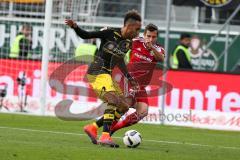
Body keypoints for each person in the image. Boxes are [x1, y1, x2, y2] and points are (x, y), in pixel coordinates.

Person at [65, 10, 141, 148]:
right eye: (137, 29)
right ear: (129, 26)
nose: (138, 33)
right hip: (97, 72)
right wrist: (75, 27)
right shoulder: (109, 32)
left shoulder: (128, 42)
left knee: (124, 106)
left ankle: (93, 127)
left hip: (107, 75)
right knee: (112, 100)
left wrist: (129, 77)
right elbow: (87, 35)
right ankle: (105, 136)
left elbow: (119, 60)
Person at [91, 23, 165, 137]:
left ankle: (111, 129)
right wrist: (107, 32)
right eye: (148, 36)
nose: (151, 39)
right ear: (144, 35)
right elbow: (121, 39)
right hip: (129, 81)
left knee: (142, 112)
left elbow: (161, 58)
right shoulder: (136, 41)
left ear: (157, 37)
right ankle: (101, 131)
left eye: (153, 37)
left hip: (141, 86)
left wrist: (152, 49)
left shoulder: (159, 49)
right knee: (125, 105)